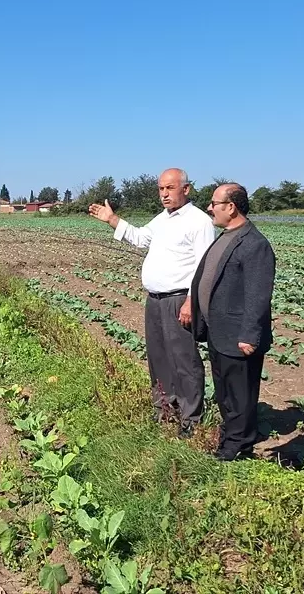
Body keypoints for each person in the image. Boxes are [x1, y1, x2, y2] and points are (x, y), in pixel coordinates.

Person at [88, 168, 216, 436]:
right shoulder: (163, 219)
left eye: (170, 188)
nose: (164, 194)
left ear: (186, 189)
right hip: (156, 301)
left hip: (179, 299)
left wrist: (191, 302)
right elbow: (140, 238)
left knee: (184, 360)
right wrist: (112, 220)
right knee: (159, 358)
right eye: (161, 189)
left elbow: (205, 267)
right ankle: (164, 411)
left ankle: (191, 419)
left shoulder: (199, 221)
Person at [191, 183, 276, 461]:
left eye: (214, 203)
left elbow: (257, 295)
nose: (209, 208)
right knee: (226, 392)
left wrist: (250, 335)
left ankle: (238, 446)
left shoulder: (255, 244)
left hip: (238, 336)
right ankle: (232, 437)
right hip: (220, 333)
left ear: (231, 207)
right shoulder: (226, 236)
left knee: (240, 394)